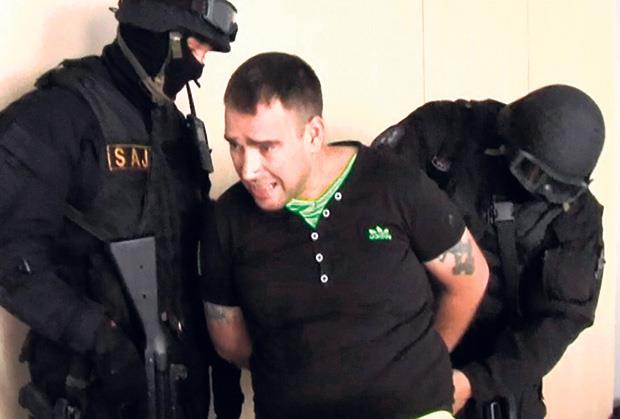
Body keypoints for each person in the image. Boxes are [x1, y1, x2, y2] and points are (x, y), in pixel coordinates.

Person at [200, 51, 490, 419]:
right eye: (235, 145)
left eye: (266, 147)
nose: (248, 168)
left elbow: (468, 280)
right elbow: (230, 341)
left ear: (313, 135)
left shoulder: (395, 183)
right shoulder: (227, 219)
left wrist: (422, 362)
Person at [0, 0, 243, 417]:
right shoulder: (58, 116)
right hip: (93, 387)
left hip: (178, 387)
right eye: (194, 47)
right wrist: (98, 337)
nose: (199, 65)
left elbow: (194, 258)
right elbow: (11, 256)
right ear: (155, 33)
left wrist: (223, 375)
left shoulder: (173, 125)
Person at [372, 84, 605, 419]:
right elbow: (367, 200)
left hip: (495, 373)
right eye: (531, 172)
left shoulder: (577, 219)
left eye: (552, 185)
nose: (537, 187)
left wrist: (472, 383)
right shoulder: (449, 132)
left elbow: (557, 324)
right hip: (404, 342)